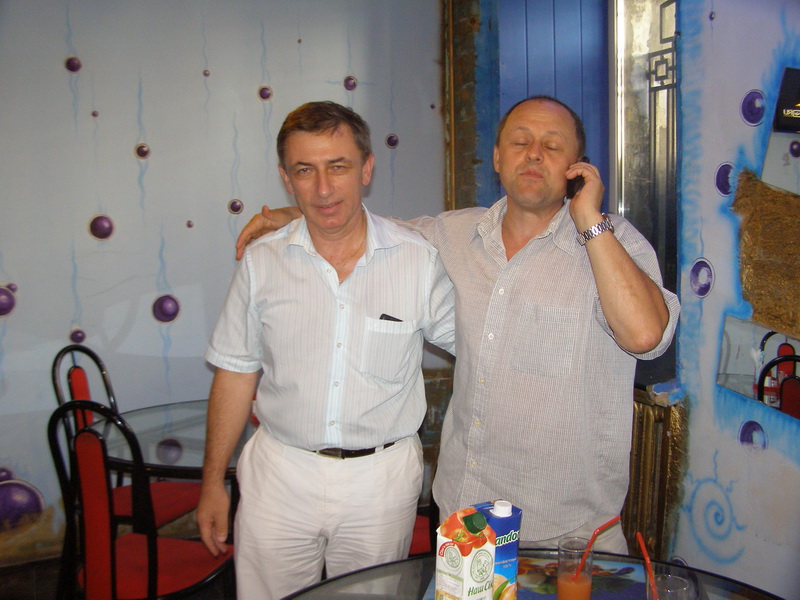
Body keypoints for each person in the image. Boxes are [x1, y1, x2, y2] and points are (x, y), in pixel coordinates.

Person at [235, 95, 680, 553]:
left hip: (569, 527)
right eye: (520, 142)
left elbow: (645, 336)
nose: (533, 154)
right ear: (497, 158)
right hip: (468, 514)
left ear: (576, 167)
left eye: (552, 146)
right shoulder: (454, 234)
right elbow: (371, 229)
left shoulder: (613, 243)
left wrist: (588, 219)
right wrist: (296, 214)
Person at [198, 100, 456, 600]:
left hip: (381, 482)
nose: (322, 188)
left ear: (366, 169)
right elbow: (234, 372)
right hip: (279, 474)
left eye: (338, 167)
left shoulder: (418, 261)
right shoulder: (261, 262)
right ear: (286, 178)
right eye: (304, 170)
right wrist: (211, 483)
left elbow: (480, 346)